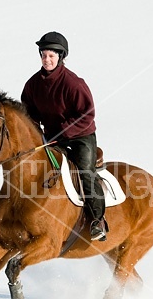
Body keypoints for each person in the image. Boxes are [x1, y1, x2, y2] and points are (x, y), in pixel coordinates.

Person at [21, 31, 107, 241]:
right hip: (51, 138)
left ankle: (98, 221)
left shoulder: (73, 83)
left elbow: (86, 114)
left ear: (60, 57)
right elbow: (28, 113)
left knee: (85, 173)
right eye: (44, 55)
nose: (47, 60)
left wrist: (63, 131)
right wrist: (34, 131)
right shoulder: (33, 85)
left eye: (51, 56)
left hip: (80, 136)